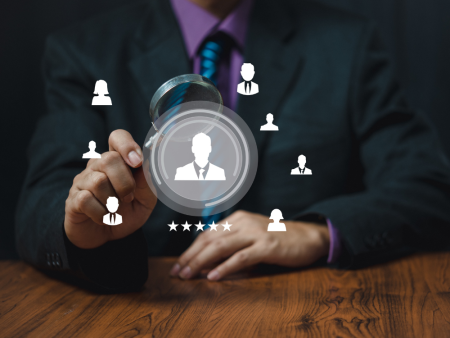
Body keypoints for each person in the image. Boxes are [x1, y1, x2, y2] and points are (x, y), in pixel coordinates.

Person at [15, 0, 450, 292]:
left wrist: (318, 233)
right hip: (143, 302)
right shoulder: (83, 53)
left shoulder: (347, 45)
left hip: (294, 302)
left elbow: (429, 189)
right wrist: (82, 227)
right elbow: (41, 201)